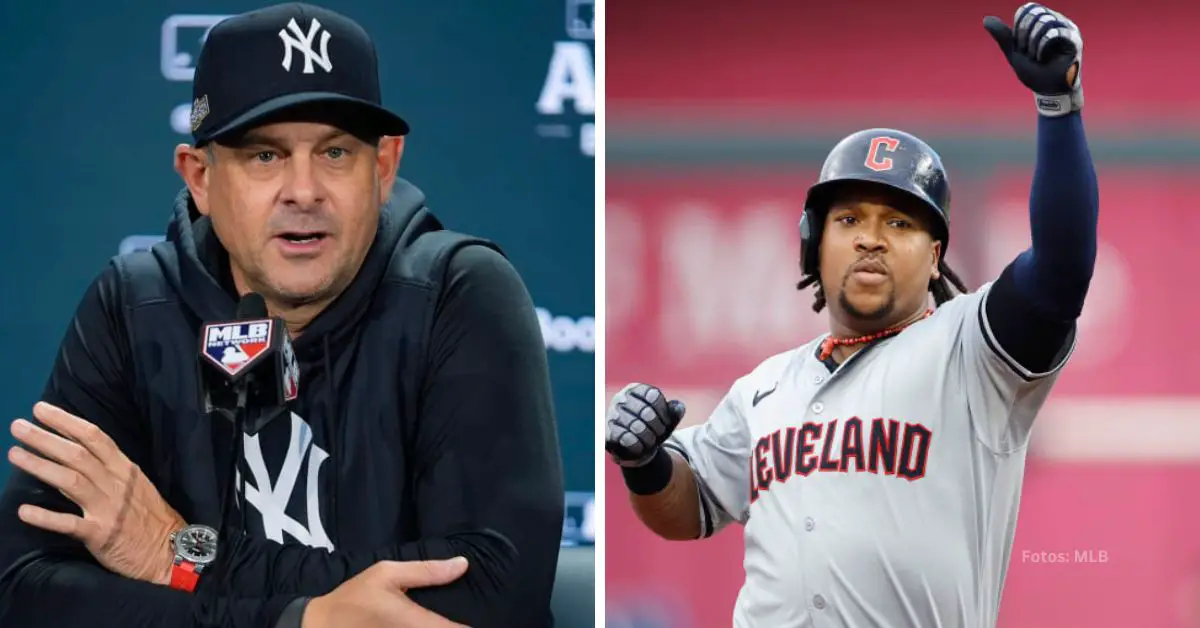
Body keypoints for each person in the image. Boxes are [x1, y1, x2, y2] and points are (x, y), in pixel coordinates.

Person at [0, 3, 565, 627]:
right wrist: (299, 620)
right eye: (264, 156)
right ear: (201, 178)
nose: (303, 191)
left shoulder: (458, 293)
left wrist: (178, 557)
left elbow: (493, 593)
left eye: (335, 154)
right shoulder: (132, 307)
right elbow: (26, 589)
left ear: (383, 168)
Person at [605, 3, 1098, 627]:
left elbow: (1062, 268)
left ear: (936, 253)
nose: (871, 238)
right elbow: (689, 507)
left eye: (898, 223)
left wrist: (1059, 108)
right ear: (815, 243)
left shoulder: (971, 354)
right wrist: (646, 465)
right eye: (849, 220)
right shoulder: (763, 388)